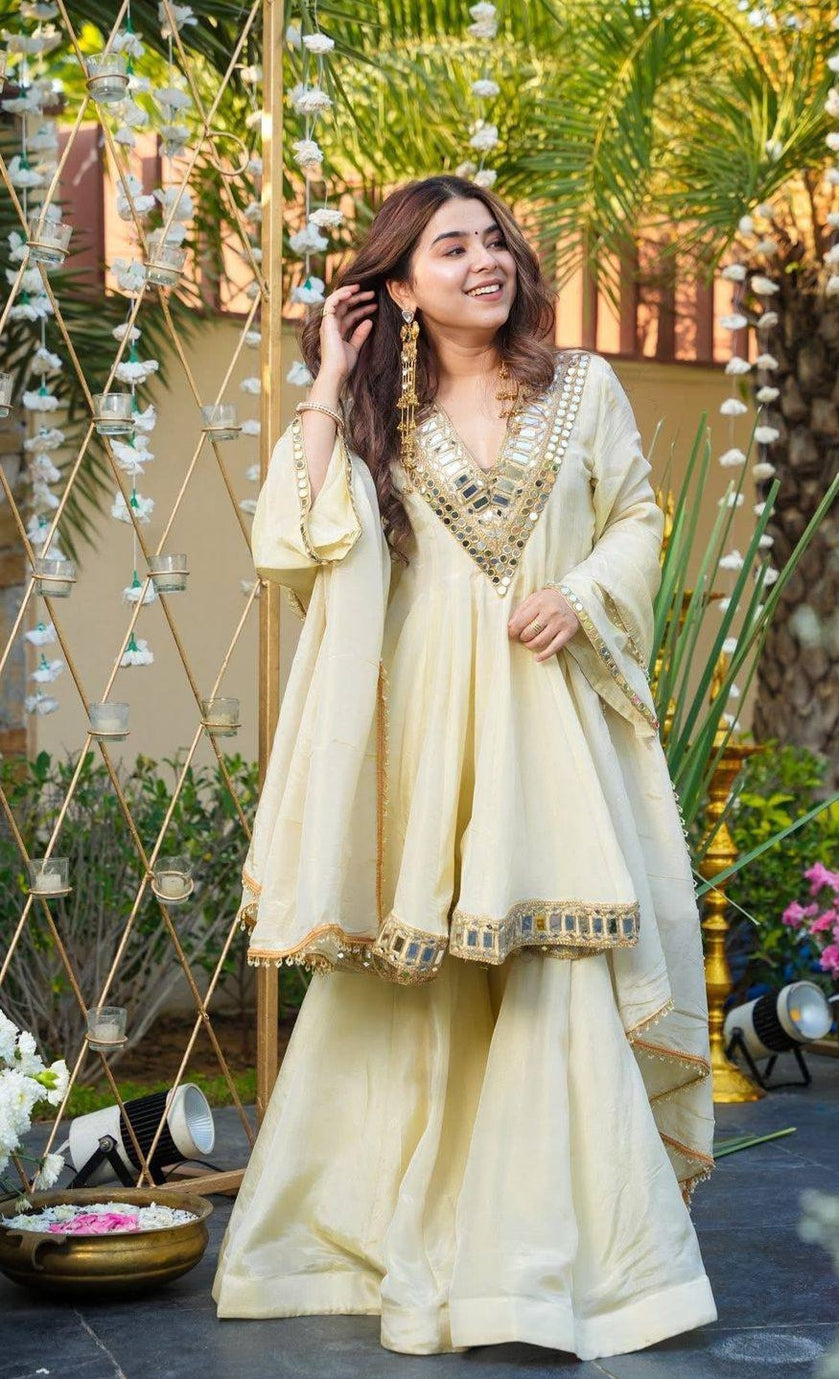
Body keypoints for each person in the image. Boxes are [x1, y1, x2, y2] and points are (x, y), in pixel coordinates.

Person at [212, 174, 718, 1360]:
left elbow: (637, 516)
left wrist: (583, 594)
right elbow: (297, 538)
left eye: (494, 241)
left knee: (557, 980)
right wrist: (329, 384)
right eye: (451, 248)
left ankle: (548, 1276)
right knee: (413, 997)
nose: (486, 260)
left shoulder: (582, 387)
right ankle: (371, 1247)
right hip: (427, 734)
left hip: (546, 716)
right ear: (397, 285)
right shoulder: (379, 420)